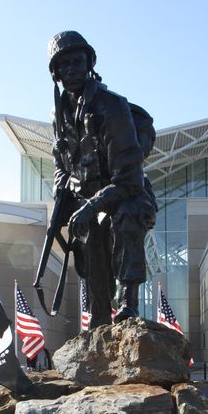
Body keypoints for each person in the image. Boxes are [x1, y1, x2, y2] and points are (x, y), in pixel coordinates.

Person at [47, 31, 157, 328]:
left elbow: (130, 179)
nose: (71, 69)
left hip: (126, 195)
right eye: (64, 63)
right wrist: (62, 189)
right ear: (55, 72)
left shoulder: (111, 106)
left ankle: (128, 305)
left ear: (89, 63)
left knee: (124, 215)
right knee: (89, 233)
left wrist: (92, 206)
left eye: (77, 61)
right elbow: (61, 163)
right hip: (87, 200)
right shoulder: (59, 116)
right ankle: (98, 317)